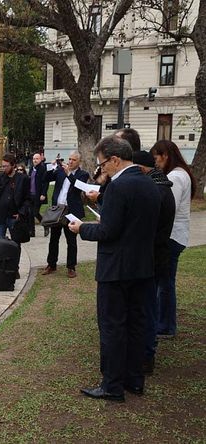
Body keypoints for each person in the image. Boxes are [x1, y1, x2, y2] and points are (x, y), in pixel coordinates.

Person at [69, 135, 160, 402]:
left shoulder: (120, 186)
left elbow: (109, 231)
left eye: (102, 164)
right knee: (135, 325)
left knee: (112, 326)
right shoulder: (149, 183)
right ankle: (134, 380)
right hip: (142, 266)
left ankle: (112, 385)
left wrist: (81, 228)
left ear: (115, 159)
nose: (102, 170)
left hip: (116, 268)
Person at [132, 150, 175, 375]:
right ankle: (145, 354)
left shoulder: (156, 191)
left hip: (152, 257)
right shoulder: (161, 186)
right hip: (155, 254)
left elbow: (146, 226)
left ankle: (146, 356)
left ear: (141, 169)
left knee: (146, 308)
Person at [150, 140, 195, 339]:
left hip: (171, 236)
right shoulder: (180, 173)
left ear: (165, 155)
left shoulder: (175, 176)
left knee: (165, 282)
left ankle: (165, 325)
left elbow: (168, 206)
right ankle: (164, 323)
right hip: (176, 234)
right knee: (165, 281)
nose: (155, 162)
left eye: (156, 158)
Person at [40, 151, 90, 279]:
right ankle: (51, 264)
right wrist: (52, 167)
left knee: (71, 240)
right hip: (58, 210)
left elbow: (79, 187)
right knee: (54, 239)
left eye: (73, 160)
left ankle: (71, 267)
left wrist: (69, 174)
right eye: (69, 159)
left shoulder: (83, 174)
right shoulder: (61, 171)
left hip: (71, 211)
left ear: (79, 162)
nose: (70, 162)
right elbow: (45, 178)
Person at [0, 153, 32, 241]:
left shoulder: (23, 179)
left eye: (6, 166)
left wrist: (21, 212)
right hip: (0, 215)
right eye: (3, 166)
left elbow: (27, 198)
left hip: (14, 216)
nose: (4, 168)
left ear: (13, 165)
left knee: (16, 243)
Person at [29, 153, 49, 237]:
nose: (35, 160)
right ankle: (31, 232)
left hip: (38, 194)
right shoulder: (31, 168)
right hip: (30, 194)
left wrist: (43, 193)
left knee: (35, 212)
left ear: (40, 159)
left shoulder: (42, 168)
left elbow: (45, 182)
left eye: (37, 159)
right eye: (34, 159)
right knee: (30, 213)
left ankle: (45, 225)